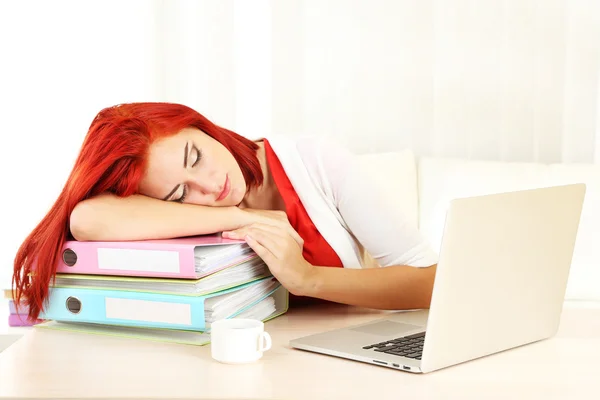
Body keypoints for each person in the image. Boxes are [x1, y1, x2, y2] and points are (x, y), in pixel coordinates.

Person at [13, 102, 439, 321]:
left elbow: (431, 283)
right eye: (180, 194)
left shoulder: (316, 161)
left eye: (195, 156)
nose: (210, 187)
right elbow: (85, 218)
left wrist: (308, 278)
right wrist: (242, 218)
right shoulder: (186, 213)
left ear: (200, 125)